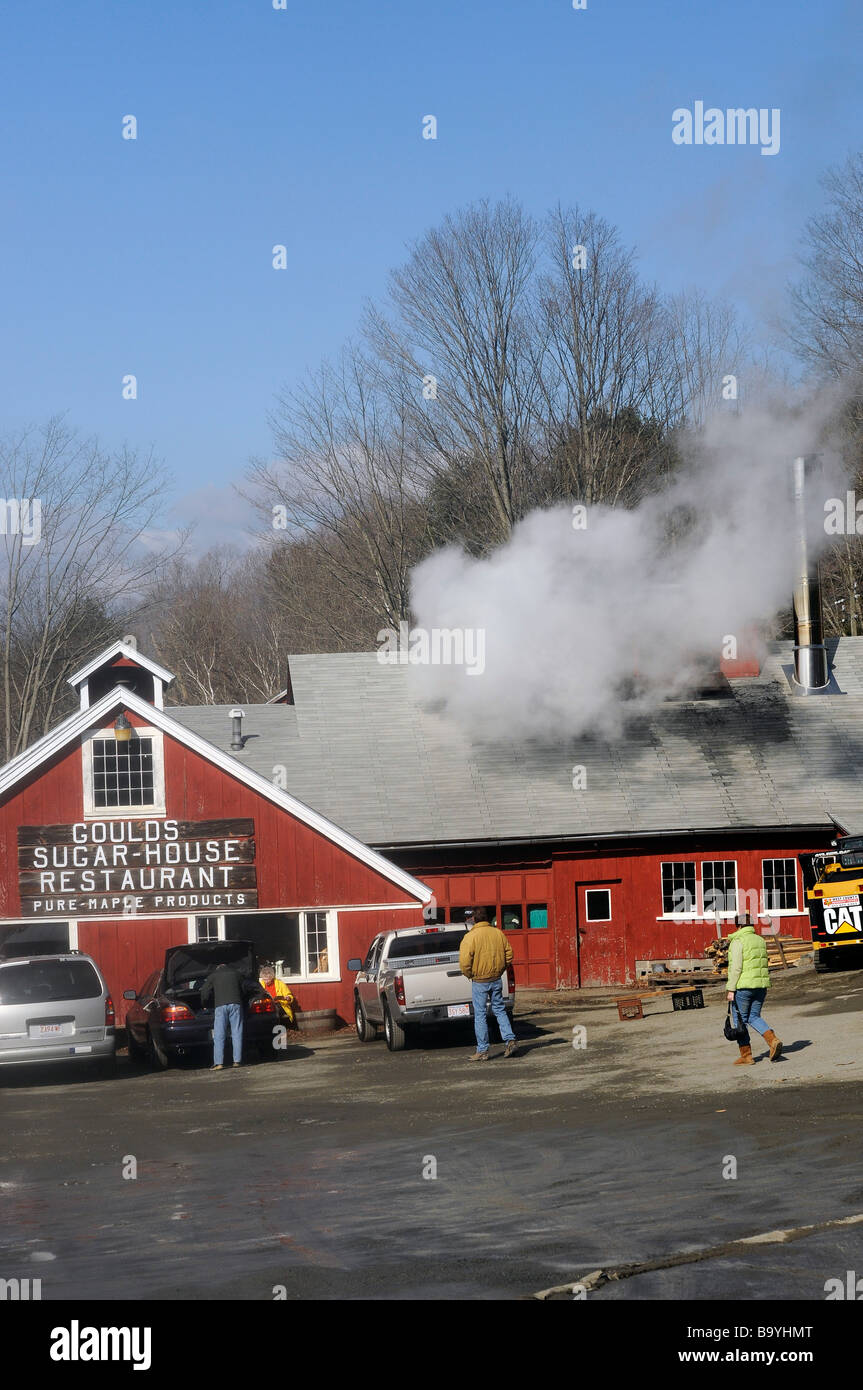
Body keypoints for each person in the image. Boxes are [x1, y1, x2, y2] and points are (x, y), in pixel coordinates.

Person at [458, 907, 517, 1061]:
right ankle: (510, 1039)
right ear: (487, 918)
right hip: (496, 978)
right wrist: (501, 969)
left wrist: (470, 974)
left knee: (480, 1014)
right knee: (499, 1009)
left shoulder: (470, 937)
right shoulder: (498, 933)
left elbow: (464, 962)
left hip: (479, 981)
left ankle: (483, 1050)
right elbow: (509, 954)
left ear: (474, 919)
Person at [726, 913, 782, 1065]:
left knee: (740, 1021)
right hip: (761, 986)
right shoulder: (759, 940)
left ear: (738, 926)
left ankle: (747, 1056)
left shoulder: (738, 941)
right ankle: (773, 1041)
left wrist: (731, 989)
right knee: (754, 1016)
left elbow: (736, 967)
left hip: (743, 986)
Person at [201, 961, 246, 1069]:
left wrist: (205, 1004)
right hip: (236, 1004)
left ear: (218, 968)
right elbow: (244, 989)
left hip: (220, 1006)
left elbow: (204, 992)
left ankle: (219, 1063)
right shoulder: (236, 974)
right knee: (237, 1032)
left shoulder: (213, 976)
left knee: (219, 1034)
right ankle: (237, 1061)